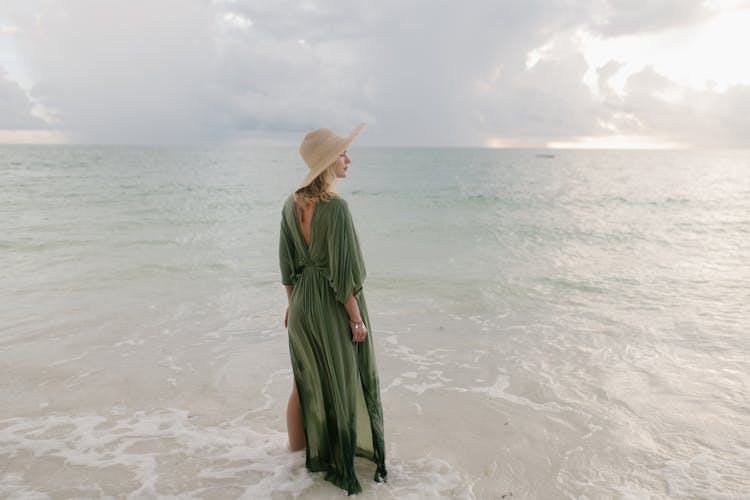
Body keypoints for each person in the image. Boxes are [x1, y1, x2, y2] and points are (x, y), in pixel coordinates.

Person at [278, 123, 387, 495]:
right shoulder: (336, 208)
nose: (348, 159)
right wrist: (355, 318)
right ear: (327, 164)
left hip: (302, 306)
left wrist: (293, 308)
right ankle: (339, 464)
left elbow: (287, 265)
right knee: (341, 383)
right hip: (329, 305)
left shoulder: (291, 205)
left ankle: (296, 466)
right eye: (342, 154)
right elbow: (344, 277)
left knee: (302, 384)